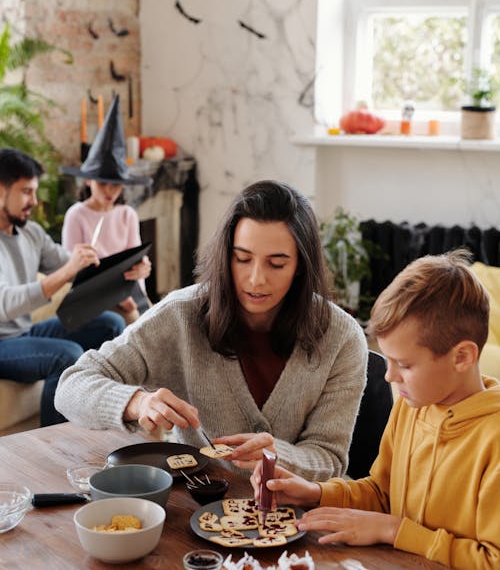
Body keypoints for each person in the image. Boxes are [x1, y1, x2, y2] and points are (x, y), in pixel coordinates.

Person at [55, 180, 368, 480]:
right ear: (225, 255)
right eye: (242, 259)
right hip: (196, 507)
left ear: (300, 265)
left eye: (276, 264)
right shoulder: (180, 315)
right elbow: (71, 386)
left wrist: (276, 455)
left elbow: (329, 459)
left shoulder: (342, 337)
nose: (256, 279)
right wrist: (137, 402)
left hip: (294, 519)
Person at [251, 250, 500, 570]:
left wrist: (394, 530)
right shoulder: (413, 406)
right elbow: (382, 493)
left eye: (405, 365)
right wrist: (313, 493)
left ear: (462, 357)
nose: (389, 376)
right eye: (388, 359)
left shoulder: (493, 441)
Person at [0, 147, 126, 427]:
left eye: (34, 191)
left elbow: (70, 265)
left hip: (23, 332)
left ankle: (104, 418)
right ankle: (53, 440)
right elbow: (4, 304)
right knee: (66, 355)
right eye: (26, 191)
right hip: (2, 343)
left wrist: (125, 271)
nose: (34, 200)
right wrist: (66, 271)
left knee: (111, 324)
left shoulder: (30, 232)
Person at [61, 95, 152, 322]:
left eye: (116, 185)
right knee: (130, 321)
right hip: (92, 299)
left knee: (156, 321)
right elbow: (71, 271)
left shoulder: (127, 215)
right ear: (89, 181)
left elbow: (135, 259)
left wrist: (142, 270)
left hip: (129, 293)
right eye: (103, 183)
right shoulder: (77, 215)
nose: (110, 192)